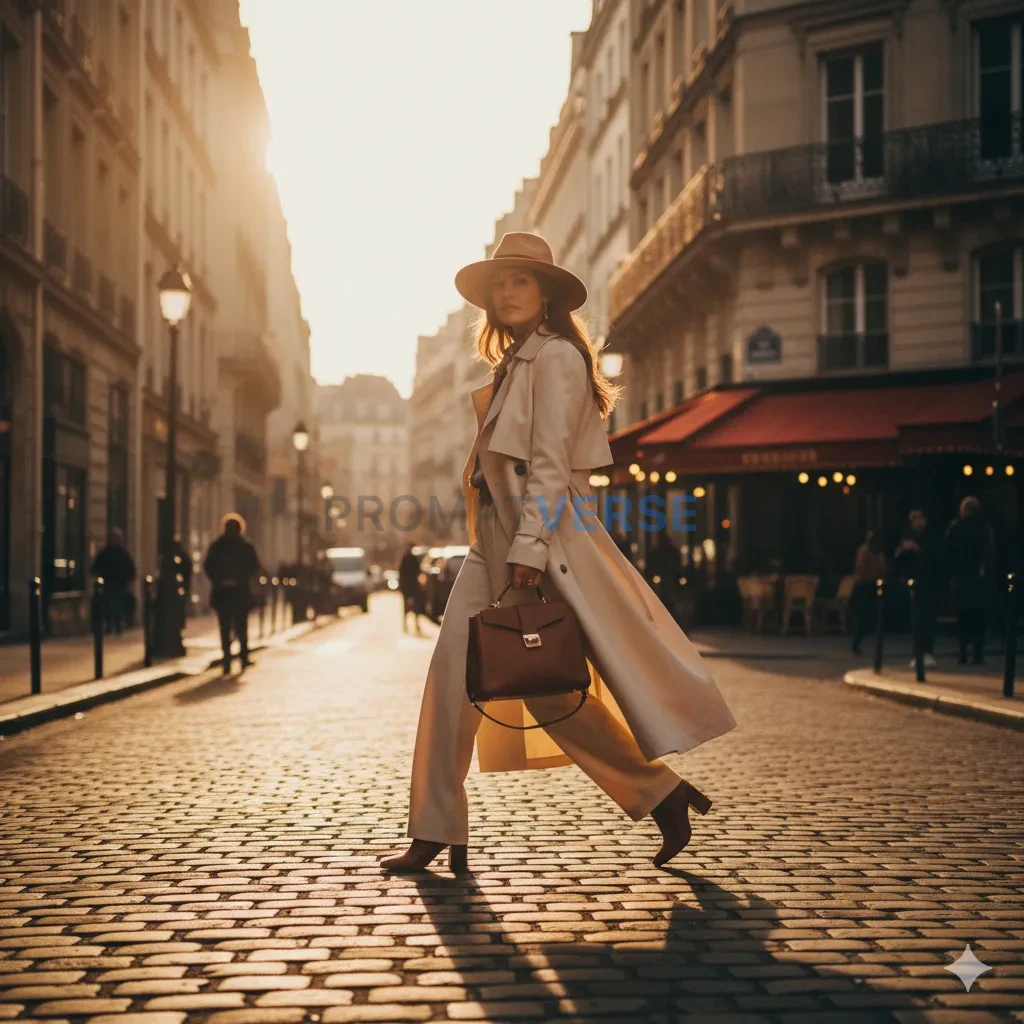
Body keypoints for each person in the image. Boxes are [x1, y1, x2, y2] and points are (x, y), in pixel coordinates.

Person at [380, 232, 736, 874]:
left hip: (535, 544)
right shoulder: (512, 363)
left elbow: (548, 467)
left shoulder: (557, 360)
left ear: (546, 292)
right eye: (499, 284)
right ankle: (437, 828)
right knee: (451, 680)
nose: (507, 292)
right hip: (492, 542)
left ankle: (660, 792)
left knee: (549, 691)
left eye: (520, 280)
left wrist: (529, 551)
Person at [203, 513, 262, 675]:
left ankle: (227, 659)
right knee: (241, 625)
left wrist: (219, 580)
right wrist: (242, 578)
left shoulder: (217, 546)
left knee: (224, 625)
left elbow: (208, 566)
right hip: (240, 591)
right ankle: (243, 656)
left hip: (222, 592)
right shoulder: (245, 546)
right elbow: (255, 566)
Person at [945, 496, 997, 665]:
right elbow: (989, 553)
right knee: (977, 617)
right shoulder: (982, 527)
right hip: (975, 577)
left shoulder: (956, 527)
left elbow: (949, 552)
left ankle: (965, 652)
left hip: (964, 577)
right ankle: (976, 652)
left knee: (965, 616)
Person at [894, 508, 942, 668]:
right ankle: (918, 652)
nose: (917, 521)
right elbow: (898, 562)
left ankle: (928, 650)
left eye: (919, 518)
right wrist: (903, 550)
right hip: (913, 584)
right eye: (914, 519)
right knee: (916, 619)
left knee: (928, 618)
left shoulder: (931, 537)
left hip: (929, 583)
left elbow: (935, 558)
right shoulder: (906, 536)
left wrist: (917, 550)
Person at [90, 528, 136, 635]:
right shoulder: (106, 553)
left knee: (117, 605)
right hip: (108, 584)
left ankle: (117, 624)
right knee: (108, 605)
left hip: (119, 584)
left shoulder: (122, 553)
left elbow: (130, 570)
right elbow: (95, 567)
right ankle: (110, 624)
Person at [850, 530, 887, 654]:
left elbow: (881, 569)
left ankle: (860, 642)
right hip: (863, 586)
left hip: (870, 586)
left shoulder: (876, 552)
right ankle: (856, 643)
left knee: (869, 617)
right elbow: (861, 567)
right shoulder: (865, 551)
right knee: (863, 617)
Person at [646, 530, 684, 612]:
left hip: (669, 578)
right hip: (664, 578)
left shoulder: (671, 552)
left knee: (669, 596)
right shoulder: (658, 552)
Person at [398, 543, 425, 634]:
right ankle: (410, 624)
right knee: (411, 606)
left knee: (412, 606)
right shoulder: (409, 558)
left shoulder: (410, 558)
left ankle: (413, 624)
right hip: (410, 585)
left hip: (410, 585)